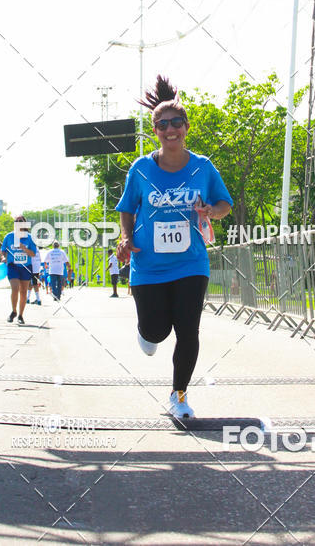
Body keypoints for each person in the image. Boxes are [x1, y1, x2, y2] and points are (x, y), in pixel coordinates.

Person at [116, 75, 232, 420]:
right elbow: (127, 208)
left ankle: (179, 396)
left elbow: (224, 204)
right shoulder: (141, 169)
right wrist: (126, 237)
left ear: (186, 127)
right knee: (157, 331)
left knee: (188, 330)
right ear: (155, 131)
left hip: (191, 263)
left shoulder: (203, 167)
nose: (170, 129)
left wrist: (211, 211)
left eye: (176, 123)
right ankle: (146, 331)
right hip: (148, 265)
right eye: (163, 125)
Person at [0, 215, 38, 324]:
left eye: (21, 221)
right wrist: (3, 256)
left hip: (26, 266)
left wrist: (24, 248)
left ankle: (21, 315)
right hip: (13, 266)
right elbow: (3, 250)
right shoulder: (9, 236)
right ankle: (14, 311)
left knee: (23, 291)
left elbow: (33, 254)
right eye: (17, 222)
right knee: (15, 288)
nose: (19, 223)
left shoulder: (30, 237)